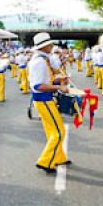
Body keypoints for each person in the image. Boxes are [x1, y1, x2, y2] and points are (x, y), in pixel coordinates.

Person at [27, 33, 69, 174]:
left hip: (44, 99)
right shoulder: (39, 62)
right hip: (43, 99)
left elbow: (45, 81)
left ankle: (59, 157)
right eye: (50, 44)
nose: (52, 46)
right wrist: (58, 87)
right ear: (44, 46)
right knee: (59, 132)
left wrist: (58, 80)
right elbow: (38, 85)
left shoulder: (42, 59)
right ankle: (45, 161)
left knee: (52, 130)